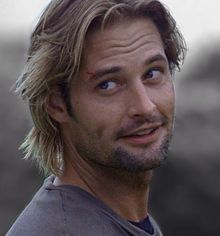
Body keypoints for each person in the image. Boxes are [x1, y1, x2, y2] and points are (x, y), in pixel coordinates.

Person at [6, 0, 186, 235]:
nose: (145, 106)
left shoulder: (131, 222)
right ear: (57, 104)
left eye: (152, 73)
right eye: (108, 84)